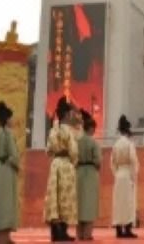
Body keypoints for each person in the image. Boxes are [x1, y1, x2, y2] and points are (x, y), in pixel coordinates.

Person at [43, 97, 78, 242]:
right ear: (66, 114)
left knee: (54, 199)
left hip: (55, 164)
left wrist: (55, 156)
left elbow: (48, 150)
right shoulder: (68, 131)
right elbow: (74, 151)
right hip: (66, 165)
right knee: (65, 198)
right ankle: (62, 231)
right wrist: (73, 163)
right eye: (70, 113)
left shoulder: (53, 130)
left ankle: (54, 231)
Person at [0, 101, 19, 244]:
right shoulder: (8, 134)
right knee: (6, 204)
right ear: (7, 119)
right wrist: (17, 165)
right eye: (11, 118)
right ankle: (4, 238)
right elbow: (14, 155)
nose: (12, 121)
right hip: (7, 170)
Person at [111, 115, 139, 238]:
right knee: (128, 201)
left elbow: (112, 162)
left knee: (118, 202)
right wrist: (134, 176)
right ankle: (127, 228)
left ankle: (118, 228)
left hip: (119, 174)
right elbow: (133, 160)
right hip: (127, 173)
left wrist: (116, 173)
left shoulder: (116, 144)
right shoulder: (129, 144)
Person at [76, 110, 101, 241]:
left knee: (80, 204)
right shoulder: (94, 143)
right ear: (91, 128)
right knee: (89, 204)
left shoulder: (77, 141)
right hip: (90, 172)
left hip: (79, 171)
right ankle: (87, 234)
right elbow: (98, 161)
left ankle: (79, 233)